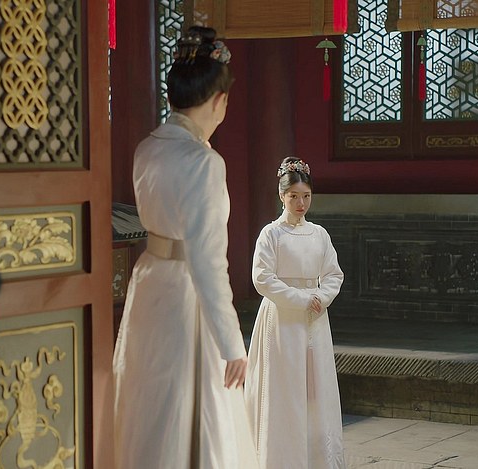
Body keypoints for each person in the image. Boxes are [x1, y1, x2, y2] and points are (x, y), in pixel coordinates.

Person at [112, 25, 258, 469]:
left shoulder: (147, 148)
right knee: (190, 407)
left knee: (149, 403)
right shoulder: (203, 162)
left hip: (149, 283)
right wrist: (232, 343)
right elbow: (208, 263)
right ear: (218, 101)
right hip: (185, 295)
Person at [245, 156, 347, 468]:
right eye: (294, 196)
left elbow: (334, 274)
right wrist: (302, 299)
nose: (301, 203)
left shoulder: (319, 234)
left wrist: (321, 297)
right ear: (282, 196)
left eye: (306, 196)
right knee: (284, 389)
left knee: (316, 390)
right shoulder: (271, 234)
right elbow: (262, 278)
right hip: (281, 319)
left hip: (315, 318)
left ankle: (315, 459)